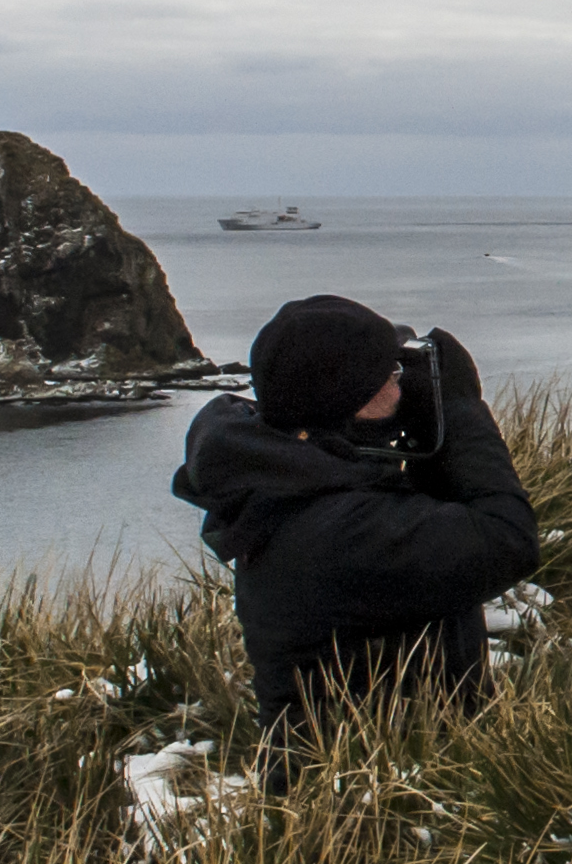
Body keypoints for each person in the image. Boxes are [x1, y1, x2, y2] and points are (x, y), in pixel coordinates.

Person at [171, 294, 540, 786]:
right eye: (390, 374)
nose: (402, 385)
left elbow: (434, 526)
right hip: (361, 810)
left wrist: (429, 434)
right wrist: (460, 411)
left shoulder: (298, 477)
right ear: (354, 401)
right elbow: (506, 538)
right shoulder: (336, 529)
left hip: (382, 772)